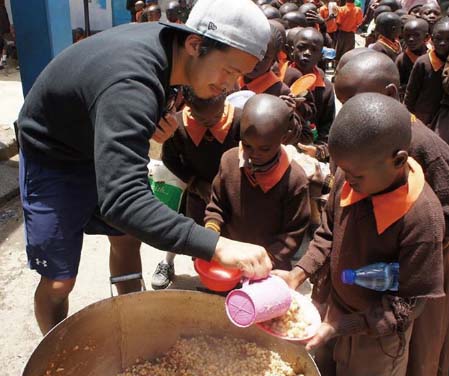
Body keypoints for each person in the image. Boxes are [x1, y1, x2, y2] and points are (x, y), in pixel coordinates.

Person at [17, 0, 273, 335]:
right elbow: (123, 200)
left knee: (126, 238)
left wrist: (145, 126)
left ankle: (132, 325)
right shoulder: (132, 82)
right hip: (54, 154)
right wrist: (219, 247)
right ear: (196, 44)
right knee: (59, 279)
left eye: (239, 75)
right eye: (228, 71)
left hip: (93, 140)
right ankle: (54, 352)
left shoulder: (172, 50)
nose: (229, 86)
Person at [274, 92, 445, 375]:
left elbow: (407, 304)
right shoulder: (351, 173)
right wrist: (298, 273)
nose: (346, 180)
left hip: (378, 339)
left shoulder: (422, 220)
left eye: (356, 176)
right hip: (332, 309)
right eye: (342, 171)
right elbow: (328, 233)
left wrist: (344, 325)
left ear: (398, 160)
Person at [334, 52, 449, 376]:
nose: (350, 114)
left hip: (420, 264)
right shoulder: (358, 147)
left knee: (420, 345)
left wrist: (407, 251)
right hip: (371, 268)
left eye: (356, 101)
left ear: (389, 95)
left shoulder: (430, 150)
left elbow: (442, 214)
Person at [205, 94, 311, 270]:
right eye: (247, 145)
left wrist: (267, 260)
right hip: (232, 257)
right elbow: (217, 205)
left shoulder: (295, 180)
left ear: (284, 138)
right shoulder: (229, 161)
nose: (254, 154)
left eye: (265, 148)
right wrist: (212, 232)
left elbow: (293, 232)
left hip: (268, 265)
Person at [151, 90, 241, 289]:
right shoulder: (179, 127)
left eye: (216, 116)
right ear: (188, 107)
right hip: (198, 192)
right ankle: (167, 263)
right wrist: (194, 182)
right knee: (192, 231)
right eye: (201, 117)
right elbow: (169, 158)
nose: (209, 122)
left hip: (231, 192)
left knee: (230, 234)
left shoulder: (239, 120)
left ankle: (226, 279)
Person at [284, 28, 336, 161]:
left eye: (314, 50)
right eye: (301, 47)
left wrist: (318, 151)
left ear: (320, 56)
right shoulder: (279, 78)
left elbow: (327, 129)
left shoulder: (325, 89)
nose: (307, 53)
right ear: (291, 50)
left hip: (308, 153)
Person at [405, 18, 449, 125]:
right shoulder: (423, 62)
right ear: (431, 39)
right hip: (422, 116)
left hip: (443, 118)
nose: (443, 43)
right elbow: (411, 92)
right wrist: (407, 113)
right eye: (439, 39)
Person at [239, 24, 291, 96]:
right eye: (252, 52)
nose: (256, 60)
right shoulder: (233, 77)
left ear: (273, 61)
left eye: (264, 58)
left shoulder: (279, 92)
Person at [395, 18, 429, 99]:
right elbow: (397, 84)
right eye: (407, 35)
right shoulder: (401, 60)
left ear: (426, 37)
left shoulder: (432, 55)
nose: (411, 39)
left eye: (416, 35)